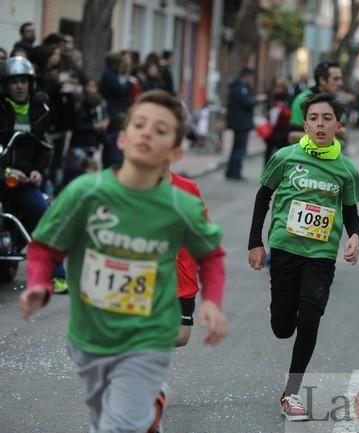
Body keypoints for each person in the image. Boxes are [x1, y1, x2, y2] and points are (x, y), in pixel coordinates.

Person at [19, 90, 229, 433]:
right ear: (122, 137)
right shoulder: (85, 191)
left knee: (115, 427)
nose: (147, 133)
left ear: (175, 152)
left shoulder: (182, 203)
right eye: (140, 124)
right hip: (89, 335)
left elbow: (212, 257)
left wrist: (213, 303)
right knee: (106, 416)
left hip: (149, 334)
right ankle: (151, 405)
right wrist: (40, 282)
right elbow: (44, 245)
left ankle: (143, 407)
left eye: (160, 130)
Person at [248, 93, 359, 421]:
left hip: (321, 255)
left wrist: (354, 237)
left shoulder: (345, 169)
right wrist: (255, 241)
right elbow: (263, 197)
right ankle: (282, 319)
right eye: (314, 118)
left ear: (339, 126)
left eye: (327, 118)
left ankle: (292, 393)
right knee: (283, 326)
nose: (320, 124)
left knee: (310, 318)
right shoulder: (285, 158)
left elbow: (351, 211)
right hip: (284, 250)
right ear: (305, 124)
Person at [0, 56, 68, 292]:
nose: (19, 86)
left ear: (31, 84)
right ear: (5, 85)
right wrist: (7, 170)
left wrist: (38, 171)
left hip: (24, 182)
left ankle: (57, 275)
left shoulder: (39, 111)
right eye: (13, 82)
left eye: (23, 81)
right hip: (3, 176)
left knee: (47, 216)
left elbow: (43, 147)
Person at [168, 170, 226, 346]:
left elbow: (210, 247)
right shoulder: (108, 189)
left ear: (175, 153)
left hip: (179, 280)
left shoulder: (186, 190)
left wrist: (211, 300)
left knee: (180, 336)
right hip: (130, 288)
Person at [288, 61, 344, 145]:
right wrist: (327, 137)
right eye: (335, 79)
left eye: (340, 79)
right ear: (322, 80)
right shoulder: (303, 99)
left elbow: (342, 130)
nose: (340, 83)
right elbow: (292, 136)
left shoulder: (335, 99)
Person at [225, 66, 258, 181]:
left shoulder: (240, 86)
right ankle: (235, 172)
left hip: (240, 122)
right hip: (241, 122)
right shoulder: (240, 87)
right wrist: (257, 100)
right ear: (246, 75)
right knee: (240, 148)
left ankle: (232, 171)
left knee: (237, 147)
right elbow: (246, 102)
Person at [263, 80, 291, 165]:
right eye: (277, 87)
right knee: (268, 152)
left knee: (282, 151)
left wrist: (282, 110)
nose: (278, 89)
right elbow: (267, 110)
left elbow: (289, 112)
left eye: (280, 87)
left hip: (283, 129)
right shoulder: (272, 97)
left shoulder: (288, 98)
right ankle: (266, 171)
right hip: (272, 129)